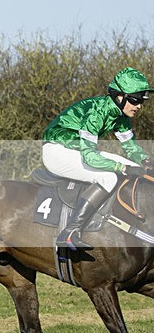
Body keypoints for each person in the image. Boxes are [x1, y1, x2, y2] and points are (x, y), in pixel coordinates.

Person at [42, 67, 154, 250]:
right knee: (108, 177)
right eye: (135, 99)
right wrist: (123, 168)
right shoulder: (96, 112)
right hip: (57, 151)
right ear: (120, 96)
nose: (139, 105)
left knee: (134, 166)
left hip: (76, 151)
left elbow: (131, 148)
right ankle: (70, 232)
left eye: (142, 100)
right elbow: (90, 158)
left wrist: (146, 162)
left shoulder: (121, 115)